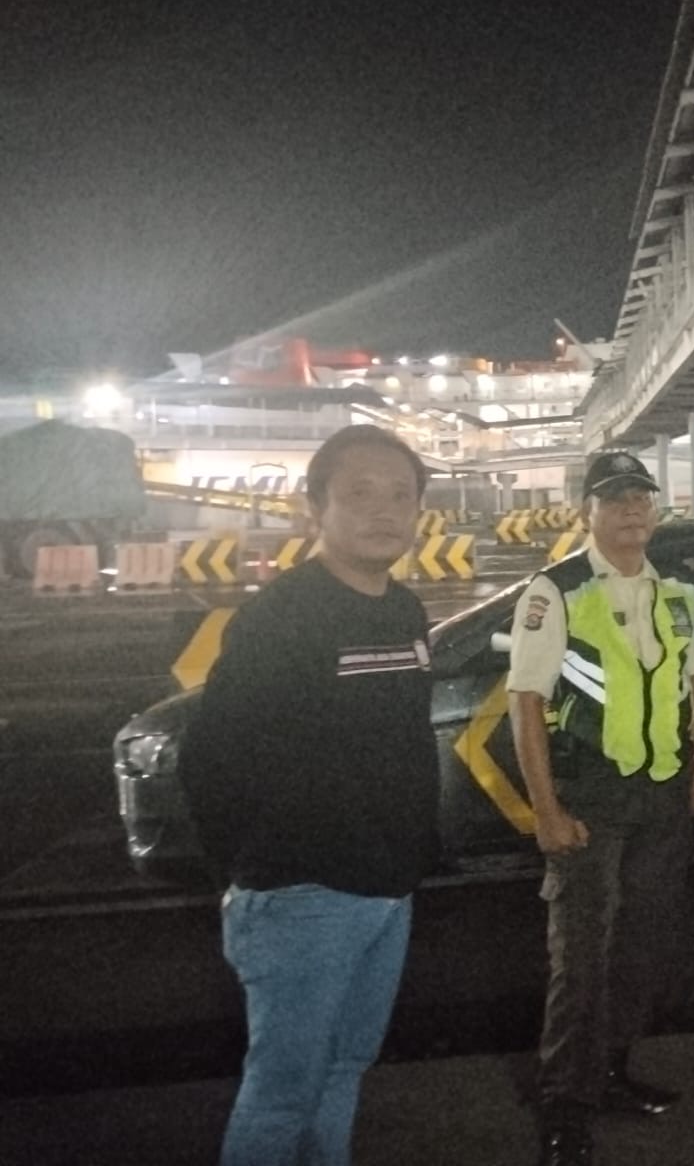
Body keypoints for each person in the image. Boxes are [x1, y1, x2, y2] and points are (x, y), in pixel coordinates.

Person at [179, 425, 439, 1166]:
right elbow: (211, 757)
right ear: (314, 508)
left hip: (388, 890)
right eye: (359, 492)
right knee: (282, 1093)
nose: (384, 509)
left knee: (345, 1067)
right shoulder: (284, 614)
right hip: (304, 893)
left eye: (400, 495)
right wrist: (249, 873)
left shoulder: (405, 610)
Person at [507, 451, 694, 1166]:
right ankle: (565, 1105)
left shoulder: (674, 591)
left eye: (641, 497)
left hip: (661, 794)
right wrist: (546, 810)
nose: (631, 508)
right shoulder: (557, 590)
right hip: (592, 796)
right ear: (587, 512)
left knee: (641, 943)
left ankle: (613, 1072)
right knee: (582, 955)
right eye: (615, 497)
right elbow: (525, 701)